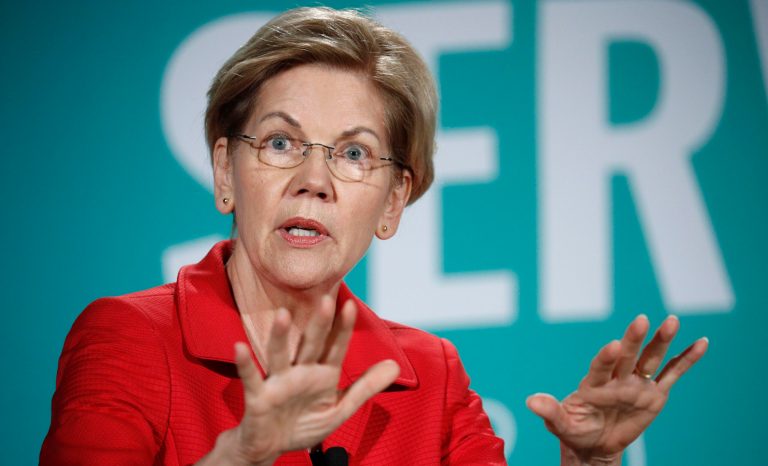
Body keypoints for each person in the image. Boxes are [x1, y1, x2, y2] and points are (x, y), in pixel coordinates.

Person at [40, 6, 708, 466]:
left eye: (355, 154)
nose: (314, 179)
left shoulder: (432, 379)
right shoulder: (130, 338)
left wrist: (591, 463)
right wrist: (239, 456)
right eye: (280, 142)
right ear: (225, 171)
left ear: (393, 202)